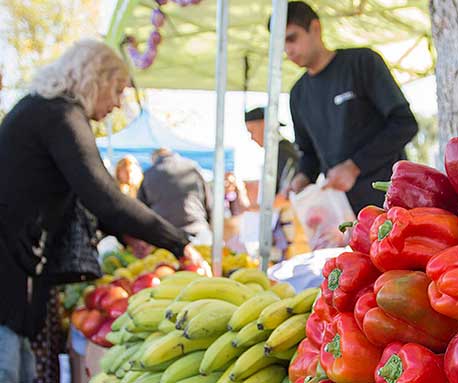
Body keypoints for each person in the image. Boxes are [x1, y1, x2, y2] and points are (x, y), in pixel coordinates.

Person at [0, 40, 207, 382]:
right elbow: (104, 196)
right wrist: (178, 242)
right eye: (117, 91)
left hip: (16, 267)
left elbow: (80, 198)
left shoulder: (43, 109)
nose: (116, 105)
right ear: (96, 79)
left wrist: (123, 232)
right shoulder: (59, 114)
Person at [276, 1, 418, 213]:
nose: (288, 50)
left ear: (315, 28)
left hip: (392, 203)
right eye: (281, 44)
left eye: (292, 38)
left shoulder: (362, 63)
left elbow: (405, 124)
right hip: (342, 216)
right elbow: (309, 155)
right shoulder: (297, 94)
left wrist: (355, 165)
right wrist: (301, 179)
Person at [138, 148, 213, 242]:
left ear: (154, 158)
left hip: (165, 233)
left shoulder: (149, 174)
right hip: (197, 228)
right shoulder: (192, 167)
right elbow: (208, 201)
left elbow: (142, 209)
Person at [244, 107, 300, 194]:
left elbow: (287, 195)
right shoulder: (279, 151)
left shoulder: (283, 152)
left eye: (252, 131)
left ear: (265, 125)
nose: (252, 137)